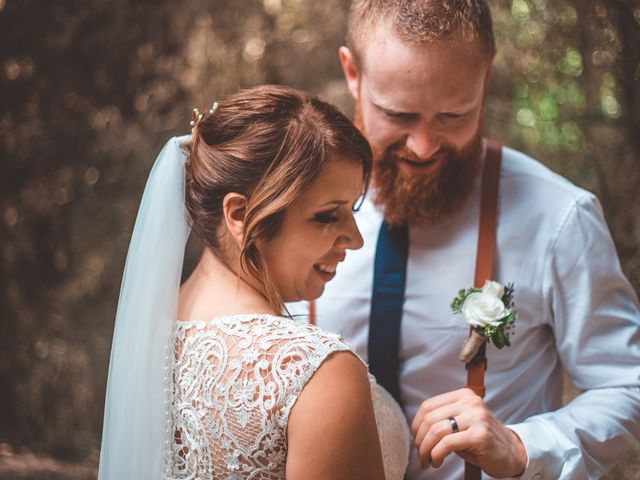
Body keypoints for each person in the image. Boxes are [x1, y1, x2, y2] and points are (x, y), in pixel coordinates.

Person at [289, 1, 640, 478]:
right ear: (352, 72)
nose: (424, 145)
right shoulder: (288, 208)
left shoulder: (559, 218)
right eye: (398, 114)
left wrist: (523, 446)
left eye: (454, 115)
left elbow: (626, 386)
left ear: (485, 76)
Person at [98, 85, 410, 480]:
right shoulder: (316, 372)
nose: (356, 238)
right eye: (328, 216)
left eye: (353, 210)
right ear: (241, 214)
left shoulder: (147, 336)